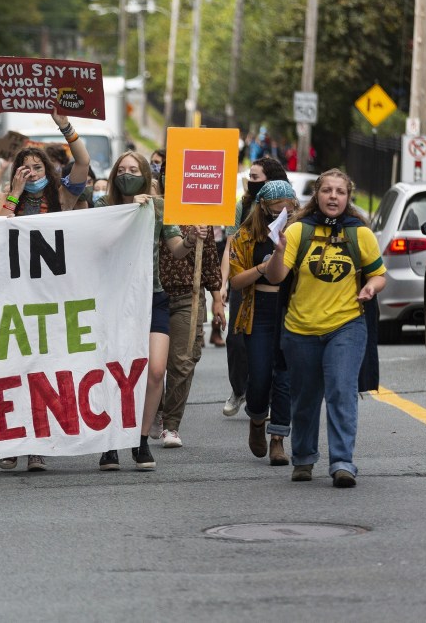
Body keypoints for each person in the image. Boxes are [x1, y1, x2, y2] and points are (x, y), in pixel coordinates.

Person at [264, 169, 386, 488]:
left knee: (341, 391)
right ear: (317, 195)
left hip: (347, 325)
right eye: (327, 190)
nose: (334, 196)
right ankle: (303, 458)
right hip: (300, 328)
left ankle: (343, 462)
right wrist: (277, 252)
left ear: (348, 197)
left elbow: (378, 274)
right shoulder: (297, 231)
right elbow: (276, 278)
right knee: (304, 398)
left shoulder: (359, 234)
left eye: (340, 191)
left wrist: (371, 287)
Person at [0, 109, 91, 472]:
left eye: (37, 167)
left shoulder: (63, 195)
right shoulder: (11, 198)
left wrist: (63, 125)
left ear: (47, 170)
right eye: (25, 167)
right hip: (15, 299)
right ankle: (11, 441)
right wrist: (15, 191)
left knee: (44, 373)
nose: (32, 172)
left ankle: (37, 445)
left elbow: (82, 160)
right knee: (13, 372)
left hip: (51, 299)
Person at [94, 150, 200, 471]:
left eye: (134, 169)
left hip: (152, 297)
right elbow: (94, 243)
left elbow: (177, 249)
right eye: (122, 169)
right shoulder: (101, 207)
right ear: (114, 176)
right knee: (115, 371)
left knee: (155, 371)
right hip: (113, 299)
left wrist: (193, 237)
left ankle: (140, 440)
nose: (128, 174)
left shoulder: (158, 208)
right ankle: (111, 443)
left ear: (145, 174)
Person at [229, 180, 298, 466]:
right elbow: (235, 281)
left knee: (284, 380)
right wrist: (262, 267)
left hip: (289, 311)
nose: (283, 211)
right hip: (257, 311)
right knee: (259, 377)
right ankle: (257, 419)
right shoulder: (245, 237)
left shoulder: (299, 233)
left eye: (289, 205)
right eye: (276, 207)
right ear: (263, 207)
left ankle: (278, 439)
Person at [220, 156, 289, 417]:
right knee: (236, 341)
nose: (250, 182)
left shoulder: (291, 216)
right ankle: (240, 390)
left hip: (279, 295)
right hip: (246, 285)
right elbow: (230, 245)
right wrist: (224, 282)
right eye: (249, 177)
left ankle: (266, 400)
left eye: (256, 178)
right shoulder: (244, 207)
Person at [156, 222, 223, 448]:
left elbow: (211, 261)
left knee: (182, 361)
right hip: (152, 297)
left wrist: (218, 301)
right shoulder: (152, 209)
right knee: (152, 364)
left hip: (188, 296)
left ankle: (171, 424)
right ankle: (155, 408)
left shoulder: (200, 217)